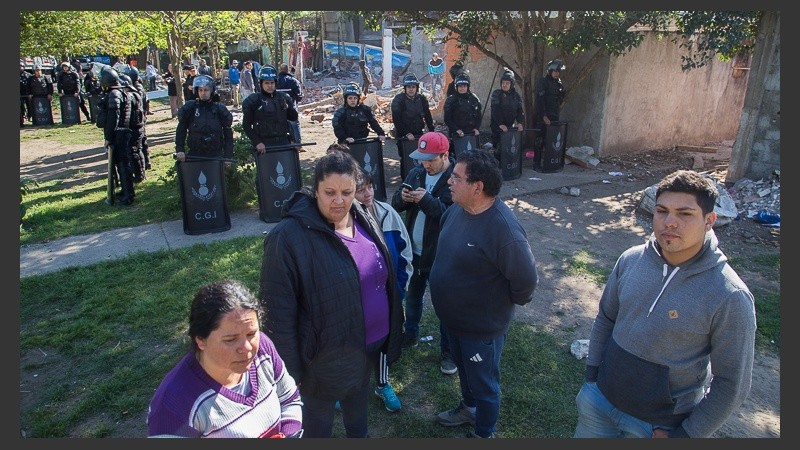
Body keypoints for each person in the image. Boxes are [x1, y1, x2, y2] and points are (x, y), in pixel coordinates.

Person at [573, 169, 756, 439]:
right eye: (662, 211)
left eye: (684, 214)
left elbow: (732, 384)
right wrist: (591, 380)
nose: (669, 222)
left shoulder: (729, 295)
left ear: (709, 221)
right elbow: (606, 318)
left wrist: (685, 435)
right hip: (598, 403)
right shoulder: (631, 259)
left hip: (658, 427)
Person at [259, 150, 404, 438]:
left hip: (366, 349)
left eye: (347, 192)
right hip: (321, 362)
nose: (339, 200)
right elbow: (277, 312)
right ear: (315, 190)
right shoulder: (287, 238)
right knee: (318, 426)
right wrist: (289, 374)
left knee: (357, 418)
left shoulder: (361, 215)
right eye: (330, 192)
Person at [431, 149, 538, 439]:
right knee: (466, 376)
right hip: (453, 322)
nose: (449, 181)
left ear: (477, 187)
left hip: (481, 329)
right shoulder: (456, 209)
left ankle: (484, 433)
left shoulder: (504, 230)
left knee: (485, 385)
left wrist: (498, 306)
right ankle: (468, 408)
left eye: (455, 177)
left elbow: (526, 282)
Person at [146, 279, 303, 438]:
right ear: (200, 340)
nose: (247, 347)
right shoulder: (173, 403)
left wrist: (289, 435)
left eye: (251, 334)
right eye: (230, 340)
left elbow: (289, 399)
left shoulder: (263, 349)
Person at [390, 131, 456, 374]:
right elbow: (397, 203)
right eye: (421, 158)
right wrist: (405, 198)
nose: (425, 164)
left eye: (430, 159)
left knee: (445, 306)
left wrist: (425, 200)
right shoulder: (417, 172)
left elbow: (450, 215)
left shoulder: (455, 177)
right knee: (413, 296)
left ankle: (449, 352)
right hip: (413, 251)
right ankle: (411, 334)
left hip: (440, 254)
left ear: (445, 154)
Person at [354, 169, 413, 413]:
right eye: (360, 189)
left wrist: (400, 288)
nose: (367, 193)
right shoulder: (344, 219)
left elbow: (404, 252)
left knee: (383, 338)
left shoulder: (388, 214)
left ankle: (382, 383)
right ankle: (348, 386)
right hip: (357, 297)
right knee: (354, 339)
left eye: (370, 187)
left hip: (387, 294)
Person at [95, 64, 139, 205]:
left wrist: (108, 137)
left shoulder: (115, 94)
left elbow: (113, 118)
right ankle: (125, 191)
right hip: (122, 132)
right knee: (121, 164)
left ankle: (128, 195)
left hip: (119, 133)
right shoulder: (120, 93)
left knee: (123, 164)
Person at [174, 74, 234, 169]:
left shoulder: (219, 109)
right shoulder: (191, 108)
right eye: (200, 90)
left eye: (206, 90)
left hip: (215, 154)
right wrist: (180, 149)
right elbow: (181, 130)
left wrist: (228, 156)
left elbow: (228, 135)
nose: (203, 93)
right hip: (195, 155)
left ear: (211, 91)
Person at [241, 65, 298, 153]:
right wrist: (257, 142)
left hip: (283, 142)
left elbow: (293, 118)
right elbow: (246, 126)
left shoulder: (284, 97)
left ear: (275, 83)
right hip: (264, 145)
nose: (270, 86)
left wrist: (288, 107)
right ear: (261, 83)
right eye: (266, 83)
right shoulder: (253, 101)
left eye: (272, 83)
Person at [534, 59, 566, 168]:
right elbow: (540, 100)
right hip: (543, 116)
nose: (557, 73)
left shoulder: (558, 83)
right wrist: (543, 116)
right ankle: (536, 164)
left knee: (552, 140)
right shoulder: (543, 82)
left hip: (554, 115)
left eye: (558, 71)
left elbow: (560, 98)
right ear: (550, 71)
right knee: (540, 140)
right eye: (555, 71)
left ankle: (550, 163)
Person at [489, 68, 525, 154]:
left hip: (510, 126)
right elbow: (495, 110)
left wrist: (520, 123)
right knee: (498, 149)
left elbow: (520, 110)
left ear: (511, 84)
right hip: (497, 126)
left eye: (507, 83)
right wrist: (500, 124)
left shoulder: (516, 96)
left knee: (509, 149)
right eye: (503, 83)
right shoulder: (497, 94)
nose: (504, 85)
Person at [390, 73, 435, 143]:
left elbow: (427, 115)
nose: (411, 89)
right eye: (408, 87)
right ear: (405, 88)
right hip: (403, 134)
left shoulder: (422, 99)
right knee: (405, 152)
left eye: (413, 87)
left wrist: (432, 131)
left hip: (418, 132)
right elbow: (396, 119)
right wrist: (407, 133)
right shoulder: (398, 100)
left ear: (417, 88)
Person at [443, 73, 482, 148]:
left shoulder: (474, 98)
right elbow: (447, 119)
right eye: (460, 86)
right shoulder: (451, 100)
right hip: (457, 133)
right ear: (456, 87)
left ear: (468, 86)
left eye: (464, 86)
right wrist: (456, 130)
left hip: (472, 133)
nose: (462, 88)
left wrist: (477, 128)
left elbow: (478, 115)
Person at [277, 63, 304, 145]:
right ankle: (298, 144)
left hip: (277, 109)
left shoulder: (274, 81)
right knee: (295, 125)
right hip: (291, 108)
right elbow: (299, 96)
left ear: (280, 70)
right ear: (287, 70)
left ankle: (281, 145)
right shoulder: (293, 81)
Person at [20, 62, 32, 127]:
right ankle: (21, 120)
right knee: (21, 108)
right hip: (20, 95)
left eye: (21, 66)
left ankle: (30, 117)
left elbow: (31, 85)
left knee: (30, 106)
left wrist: (31, 93)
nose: (20, 67)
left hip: (28, 94)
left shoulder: (28, 75)